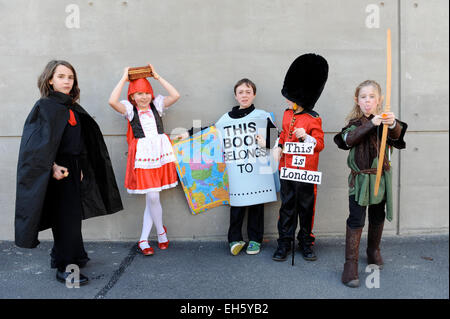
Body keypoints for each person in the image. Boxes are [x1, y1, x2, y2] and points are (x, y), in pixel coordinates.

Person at [15, 60, 123, 285]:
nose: (66, 81)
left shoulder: (71, 107)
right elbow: (35, 145)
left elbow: (79, 141)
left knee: (71, 217)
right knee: (65, 219)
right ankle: (66, 268)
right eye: (61, 76)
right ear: (50, 80)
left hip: (74, 169)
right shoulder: (44, 107)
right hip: (56, 171)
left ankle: (70, 255)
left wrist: (82, 167)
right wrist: (52, 166)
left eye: (70, 77)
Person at [177, 78, 278, 256]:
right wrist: (188, 133)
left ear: (254, 95)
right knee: (237, 205)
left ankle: (255, 240)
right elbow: (210, 131)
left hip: (257, 170)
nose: (244, 95)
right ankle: (235, 239)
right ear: (235, 96)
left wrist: (266, 142)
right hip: (235, 170)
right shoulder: (226, 119)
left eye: (248, 92)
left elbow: (275, 139)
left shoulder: (263, 116)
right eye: (241, 92)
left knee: (256, 205)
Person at [334, 80, 407, 288]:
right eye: (363, 97)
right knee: (356, 218)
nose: (367, 101)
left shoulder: (386, 122)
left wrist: (392, 124)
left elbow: (397, 136)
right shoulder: (354, 124)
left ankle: (373, 250)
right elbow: (348, 140)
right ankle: (350, 264)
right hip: (360, 181)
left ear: (379, 99)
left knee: (377, 215)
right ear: (357, 100)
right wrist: (370, 124)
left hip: (380, 179)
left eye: (372, 97)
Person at [108, 64, 180, 256]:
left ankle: (144, 239)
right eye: (138, 93)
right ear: (132, 96)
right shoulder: (130, 110)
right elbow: (112, 101)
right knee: (153, 196)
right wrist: (124, 78)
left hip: (160, 153)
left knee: (152, 197)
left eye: (146, 92)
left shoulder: (157, 105)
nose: (143, 97)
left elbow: (176, 95)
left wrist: (157, 77)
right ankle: (161, 232)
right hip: (143, 157)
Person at [272, 54, 328, 263]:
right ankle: (284, 242)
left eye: (290, 98)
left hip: (306, 172)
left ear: (300, 98)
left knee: (306, 209)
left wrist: (307, 137)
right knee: (287, 208)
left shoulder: (314, 119)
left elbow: (320, 145)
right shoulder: (287, 114)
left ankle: (305, 241)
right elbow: (283, 136)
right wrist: (278, 146)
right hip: (287, 169)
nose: (287, 100)